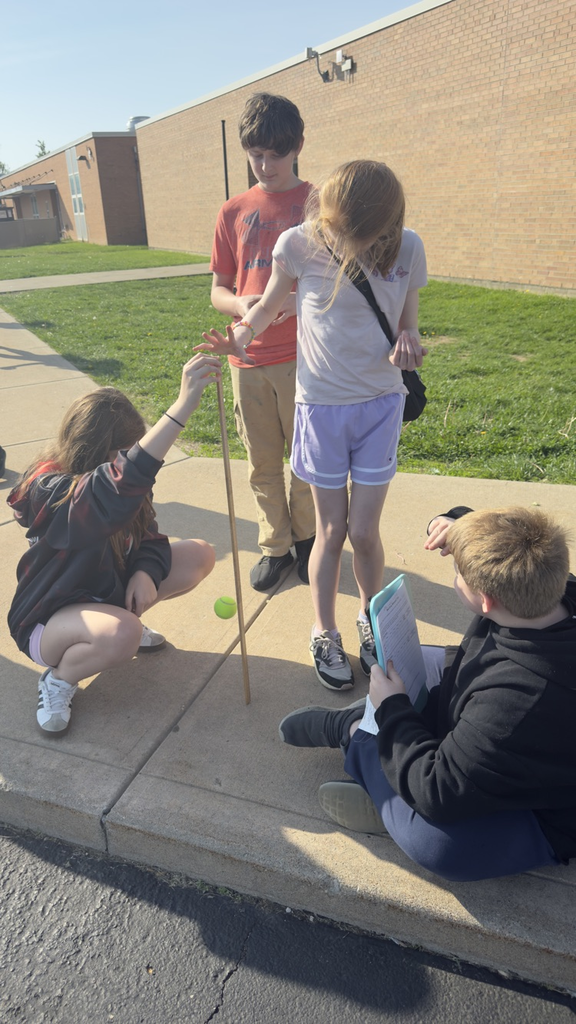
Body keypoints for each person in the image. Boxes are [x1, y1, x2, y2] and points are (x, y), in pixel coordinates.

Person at [200, 159, 427, 691]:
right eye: (343, 231)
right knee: (329, 530)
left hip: (379, 405)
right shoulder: (301, 243)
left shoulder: (408, 247)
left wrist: (411, 343)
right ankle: (323, 629)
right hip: (322, 409)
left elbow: (409, 323)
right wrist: (239, 335)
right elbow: (263, 310)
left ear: (388, 224)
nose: (351, 242)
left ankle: (370, 619)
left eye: (364, 235)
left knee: (365, 532)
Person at [278, 505, 576, 882]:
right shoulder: (555, 588)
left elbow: (438, 789)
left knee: (437, 845)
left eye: (459, 575)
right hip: (523, 746)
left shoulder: (516, 702)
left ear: (486, 601)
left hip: (544, 811)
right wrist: (463, 525)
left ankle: (356, 736)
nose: (456, 578)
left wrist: (393, 710)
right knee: (410, 660)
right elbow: (519, 547)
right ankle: (388, 776)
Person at [6, 353, 221, 736]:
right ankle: (59, 679)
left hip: (100, 594)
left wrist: (145, 571)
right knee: (123, 634)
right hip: (48, 620)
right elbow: (113, 488)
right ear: (100, 449)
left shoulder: (119, 487)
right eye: (127, 450)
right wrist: (182, 406)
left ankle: (118, 624)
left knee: (199, 554)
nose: (134, 458)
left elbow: (150, 536)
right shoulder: (49, 490)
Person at [209, 92, 316, 593]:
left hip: (307, 356)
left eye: (275, 153)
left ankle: (309, 539)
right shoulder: (233, 211)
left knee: (308, 458)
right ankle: (274, 545)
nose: (264, 165)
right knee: (262, 460)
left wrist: (296, 302)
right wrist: (243, 307)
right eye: (255, 153)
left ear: (298, 144)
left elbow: (343, 275)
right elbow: (218, 290)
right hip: (247, 359)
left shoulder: (319, 202)